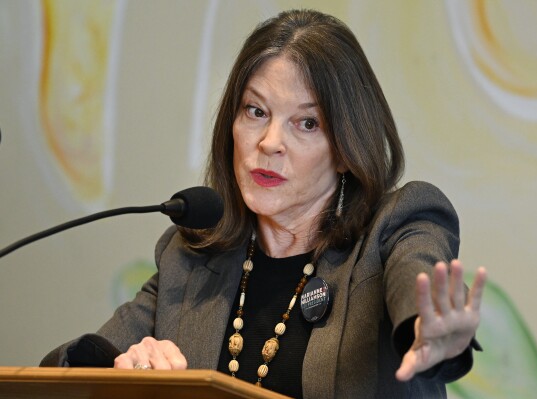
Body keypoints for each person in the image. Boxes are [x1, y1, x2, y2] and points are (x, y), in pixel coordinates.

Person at [41, 9, 486, 399]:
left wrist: (429, 327)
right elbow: (59, 374)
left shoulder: (397, 228)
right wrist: (121, 368)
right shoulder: (191, 261)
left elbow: (418, 276)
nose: (270, 142)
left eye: (307, 123)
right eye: (255, 111)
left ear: (347, 147)